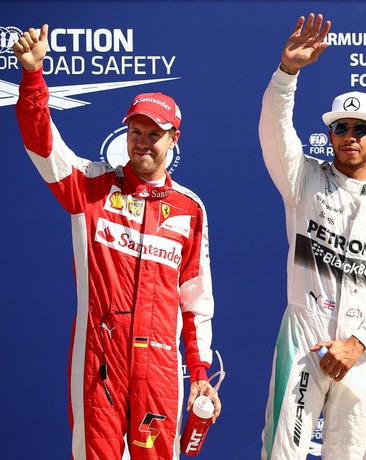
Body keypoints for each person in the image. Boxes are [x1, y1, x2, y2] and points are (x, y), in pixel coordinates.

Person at [14, 24, 221, 459]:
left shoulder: (190, 208)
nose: (142, 143)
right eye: (135, 132)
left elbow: (195, 299)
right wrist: (33, 79)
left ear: (173, 138)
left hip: (162, 364)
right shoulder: (91, 185)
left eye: (153, 134)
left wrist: (198, 369)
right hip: (100, 357)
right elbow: (42, 145)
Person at [258, 13, 366, 460]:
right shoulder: (303, 181)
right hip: (303, 338)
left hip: (363, 352)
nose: (349, 135)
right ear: (330, 133)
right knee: (281, 455)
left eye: (361, 128)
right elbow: (276, 136)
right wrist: (287, 74)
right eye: (340, 127)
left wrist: (358, 342)